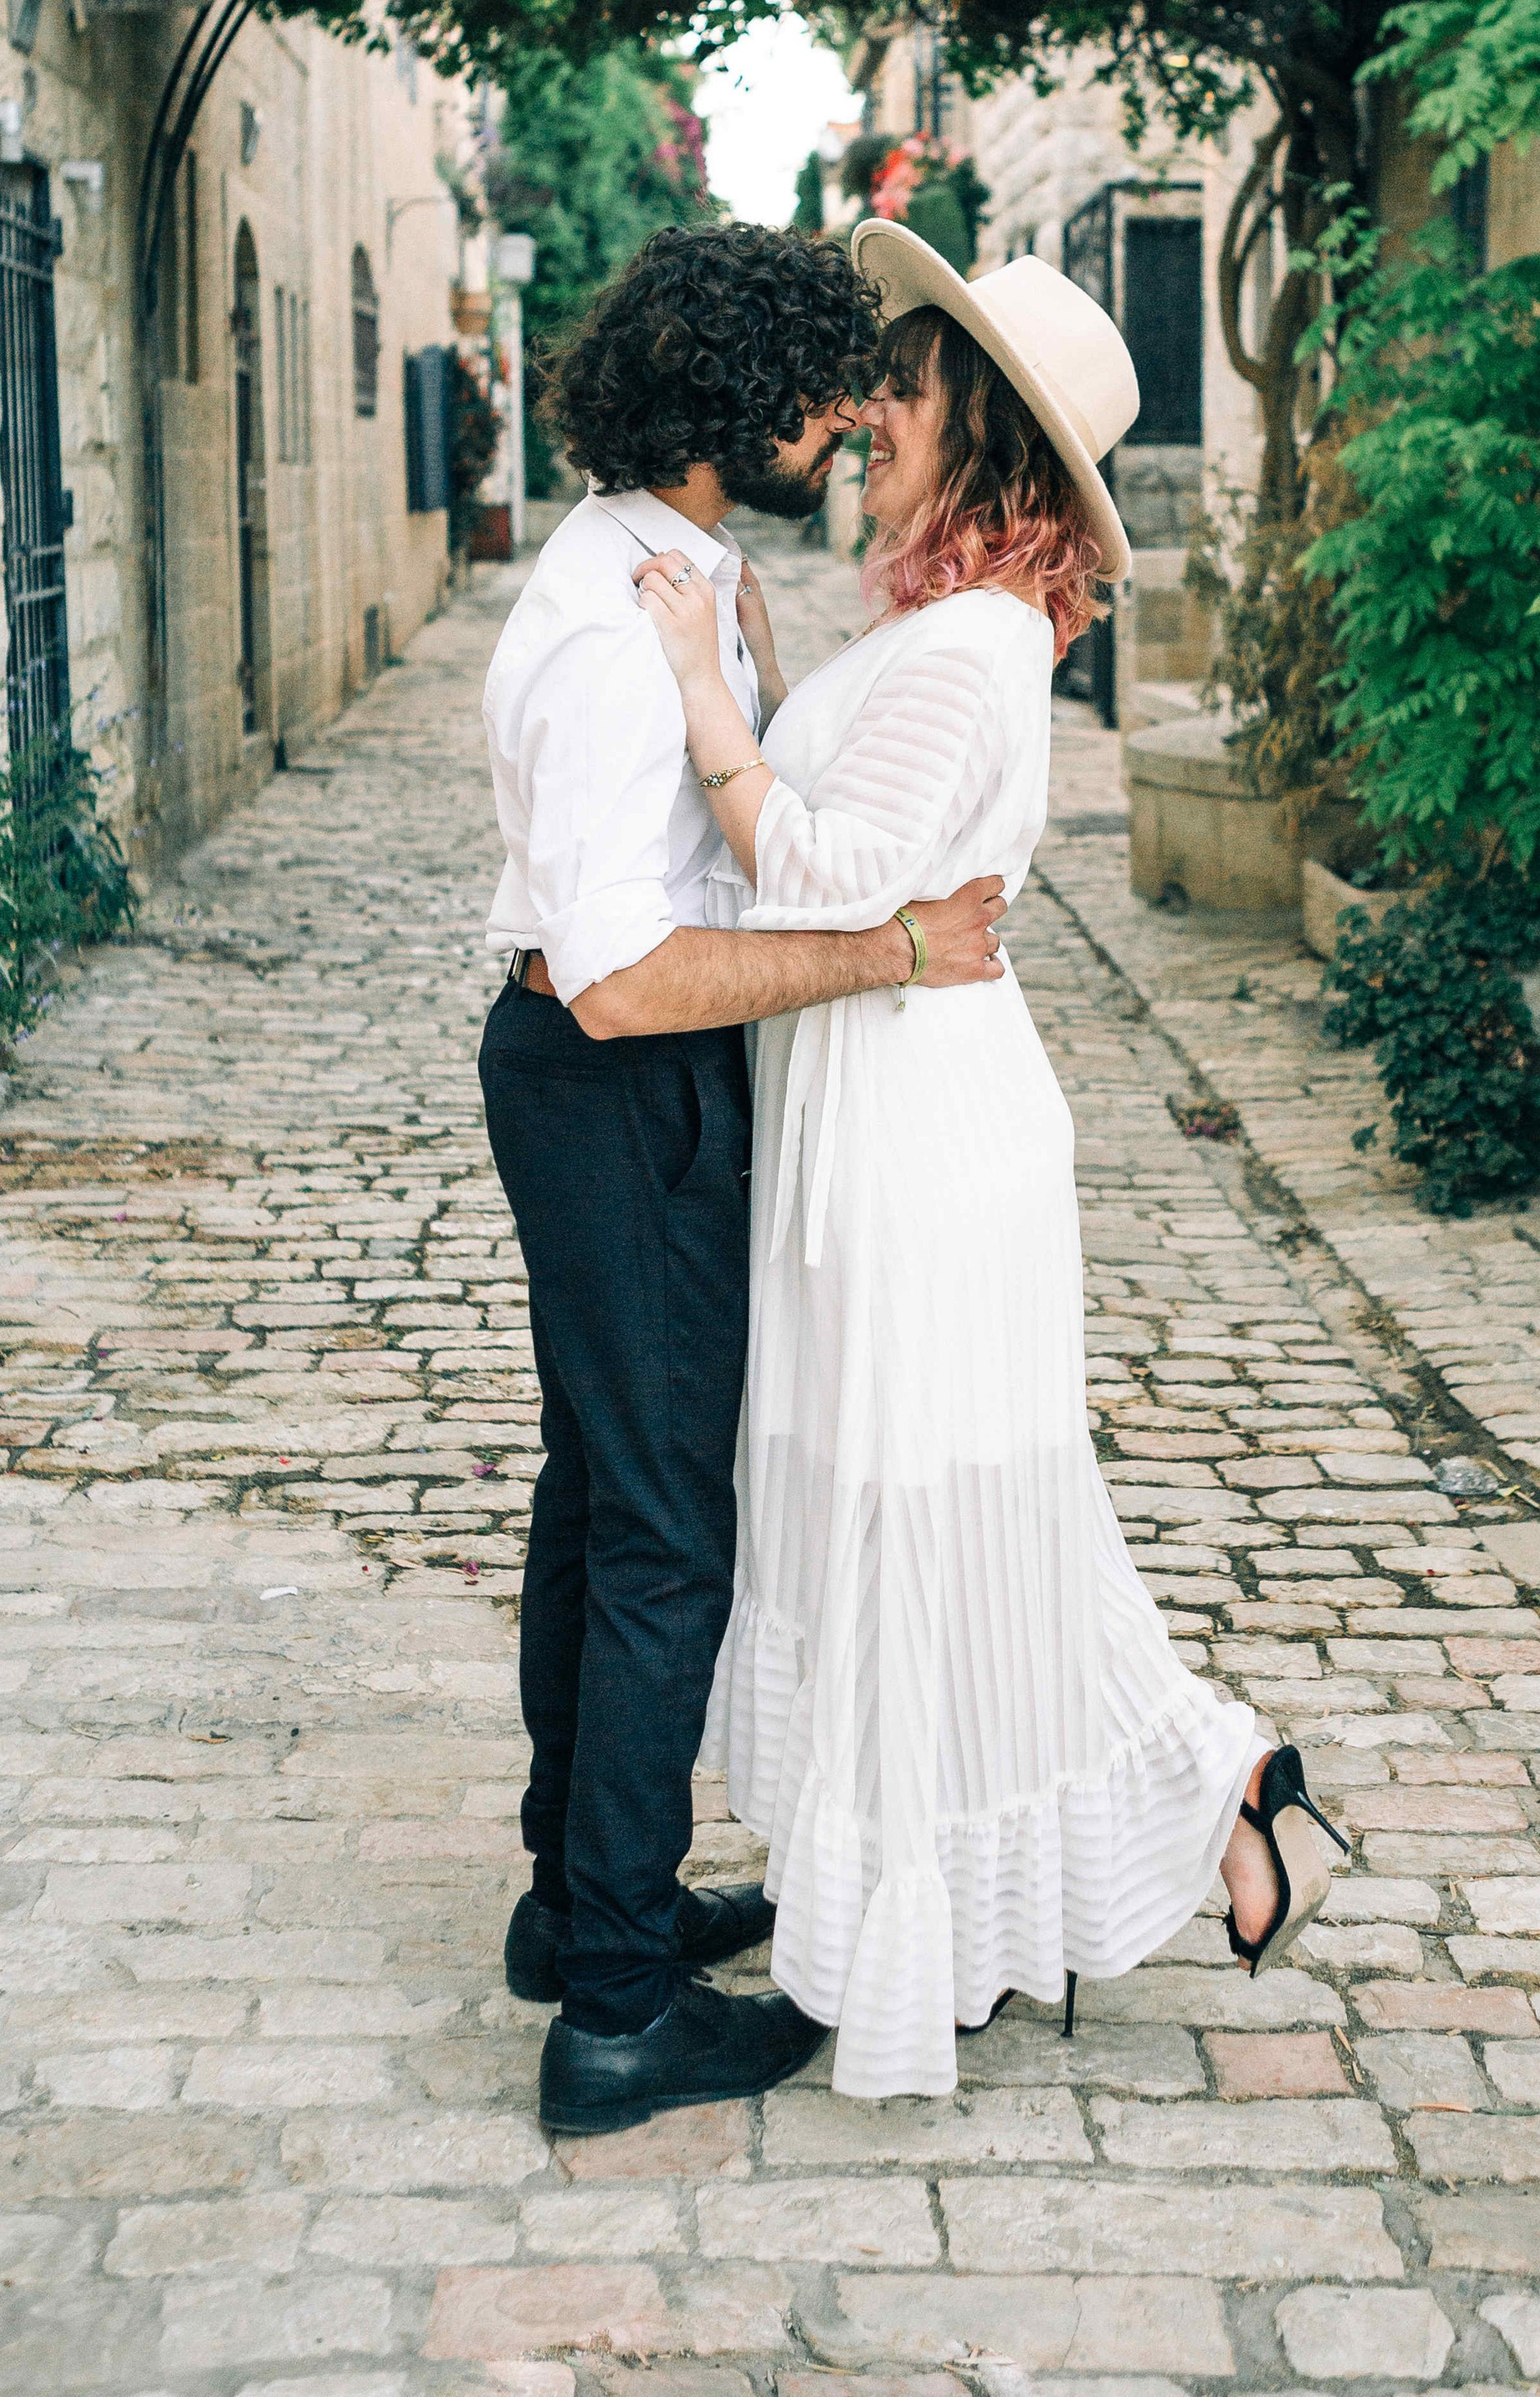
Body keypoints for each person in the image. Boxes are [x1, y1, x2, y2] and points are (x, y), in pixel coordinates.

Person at [632, 221, 1349, 2099]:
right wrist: (779, 677)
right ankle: (1211, 1789)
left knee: (916, 1515)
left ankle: (879, 1959)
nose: (867, 407)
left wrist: (706, 691)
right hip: (874, 1099)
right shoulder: (935, 629)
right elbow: (850, 823)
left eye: (904, 380)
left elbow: (829, 873)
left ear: (983, 430)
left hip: (916, 1133)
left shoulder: (967, 644)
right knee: (963, 1519)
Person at [477, 219, 1011, 2141]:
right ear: (742, 404)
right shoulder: (633, 623)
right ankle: (617, 2013)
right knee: (659, 1543)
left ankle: (573, 1909)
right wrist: (891, 954)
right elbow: (624, 979)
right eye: (826, 383)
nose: (852, 413)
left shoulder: (657, 569)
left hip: (604, 1089)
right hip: (624, 1086)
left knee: (595, 1503)